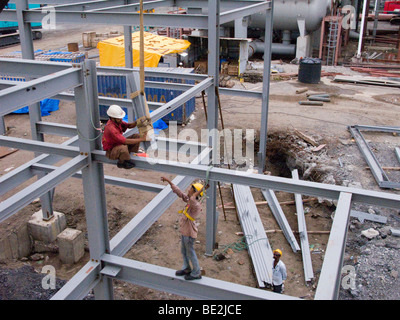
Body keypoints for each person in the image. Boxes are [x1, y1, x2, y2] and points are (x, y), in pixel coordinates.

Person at [160, 176, 207, 281]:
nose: (188, 189)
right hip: (185, 231)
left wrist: (201, 189)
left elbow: (193, 198)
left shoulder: (196, 205)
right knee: (184, 251)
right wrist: (168, 181)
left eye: (191, 189)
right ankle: (186, 268)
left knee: (190, 252)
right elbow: (179, 192)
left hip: (189, 233)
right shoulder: (189, 201)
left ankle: (196, 272)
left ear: (195, 192)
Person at [102, 105, 148, 169]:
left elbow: (129, 125)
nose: (121, 119)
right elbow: (125, 141)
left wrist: (138, 122)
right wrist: (142, 139)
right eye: (119, 118)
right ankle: (122, 162)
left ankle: (131, 154)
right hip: (111, 151)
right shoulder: (111, 129)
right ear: (112, 118)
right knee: (123, 148)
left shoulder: (117, 122)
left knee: (136, 136)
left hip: (118, 145)